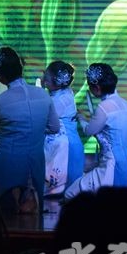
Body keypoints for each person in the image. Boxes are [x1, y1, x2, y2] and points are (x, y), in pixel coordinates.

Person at [0, 47, 60, 213]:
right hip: (35, 164)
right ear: (21, 69)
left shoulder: (0, 101)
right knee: (34, 217)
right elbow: (55, 127)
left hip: (6, 163)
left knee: (2, 212)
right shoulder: (43, 95)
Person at [64, 63, 127, 199]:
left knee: (69, 194)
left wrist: (81, 118)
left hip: (112, 169)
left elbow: (89, 130)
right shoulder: (124, 103)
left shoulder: (104, 107)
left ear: (96, 88)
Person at [42, 60, 83, 193]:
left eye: (46, 77)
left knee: (67, 189)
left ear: (57, 81)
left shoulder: (60, 100)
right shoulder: (64, 92)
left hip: (65, 146)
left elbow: (45, 121)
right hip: (63, 142)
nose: (43, 79)